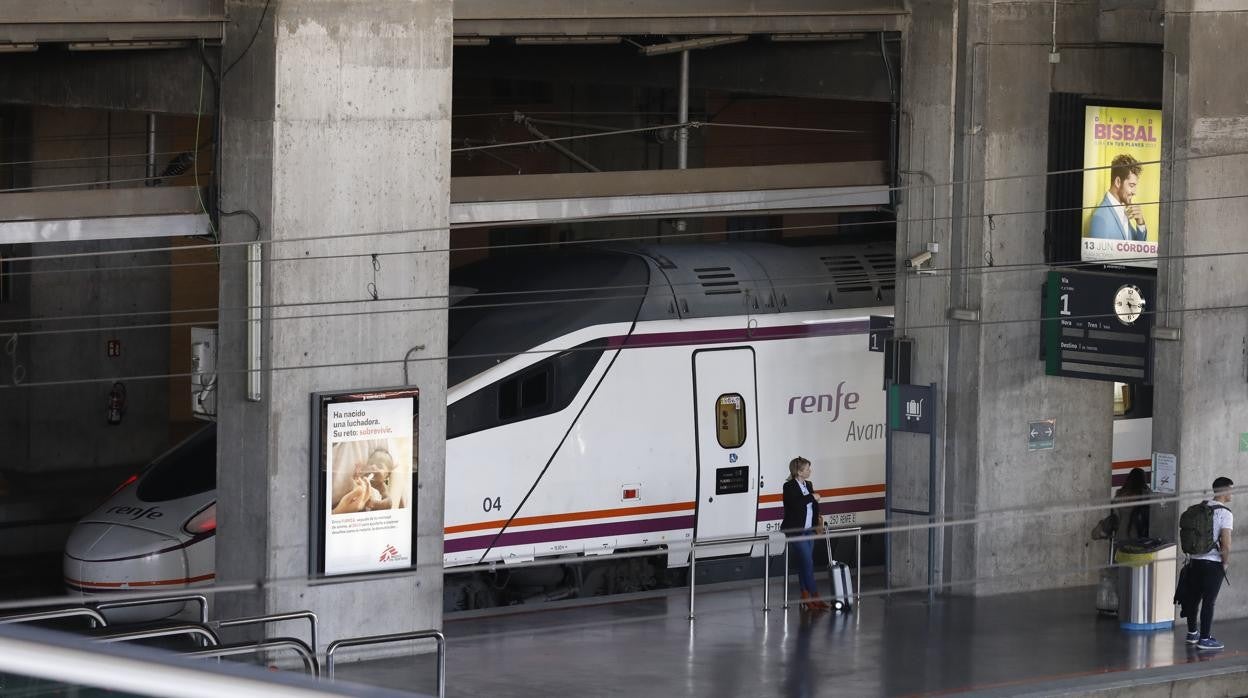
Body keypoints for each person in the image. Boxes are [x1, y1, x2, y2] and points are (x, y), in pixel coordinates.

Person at [1180, 477, 1234, 651]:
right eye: (1230, 490)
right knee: (1209, 601)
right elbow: (1226, 543)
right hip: (1212, 563)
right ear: (1225, 491)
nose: (1232, 493)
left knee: (1193, 598)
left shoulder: (1201, 508)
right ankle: (1205, 638)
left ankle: (1192, 633)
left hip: (1194, 561)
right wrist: (1225, 563)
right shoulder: (1225, 513)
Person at [782, 456, 827, 612]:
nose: (810, 471)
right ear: (799, 471)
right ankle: (815, 596)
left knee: (804, 563)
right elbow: (795, 505)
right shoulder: (788, 487)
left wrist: (816, 525)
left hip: (809, 530)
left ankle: (805, 595)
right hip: (796, 531)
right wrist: (812, 497)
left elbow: (811, 507)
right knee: (808, 563)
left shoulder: (808, 484)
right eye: (807, 468)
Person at [1088, 154, 1149, 241]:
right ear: (1118, 182)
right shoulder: (1100, 218)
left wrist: (1140, 222)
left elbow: (1137, 248)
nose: (1134, 192)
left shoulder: (1121, 209)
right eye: (1131, 185)